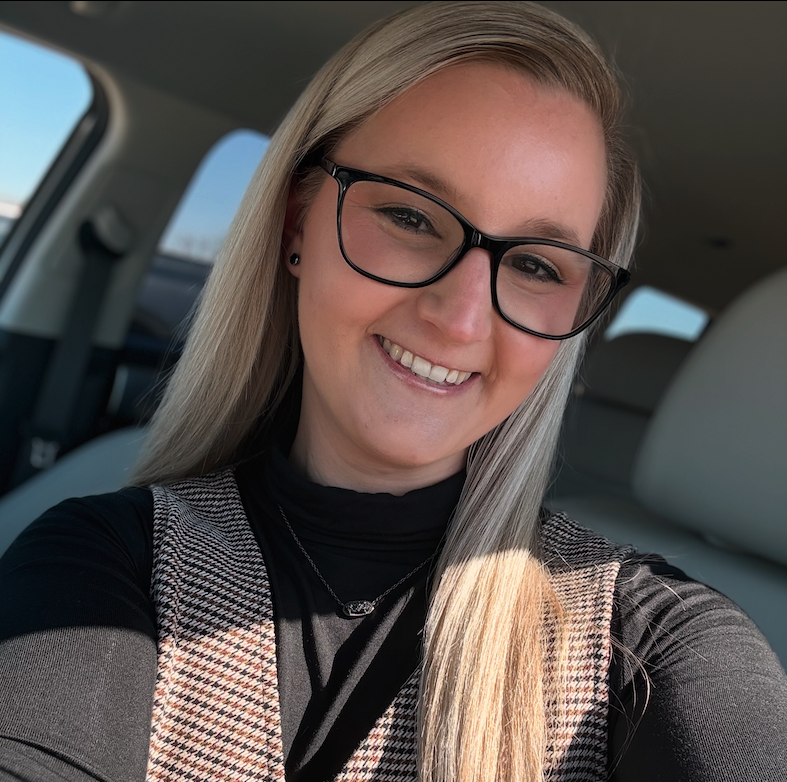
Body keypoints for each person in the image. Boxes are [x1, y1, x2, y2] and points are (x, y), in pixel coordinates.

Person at [1, 2, 786, 781]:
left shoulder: (650, 638)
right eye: (411, 216)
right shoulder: (106, 559)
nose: (460, 318)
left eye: (536, 265)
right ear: (297, 223)